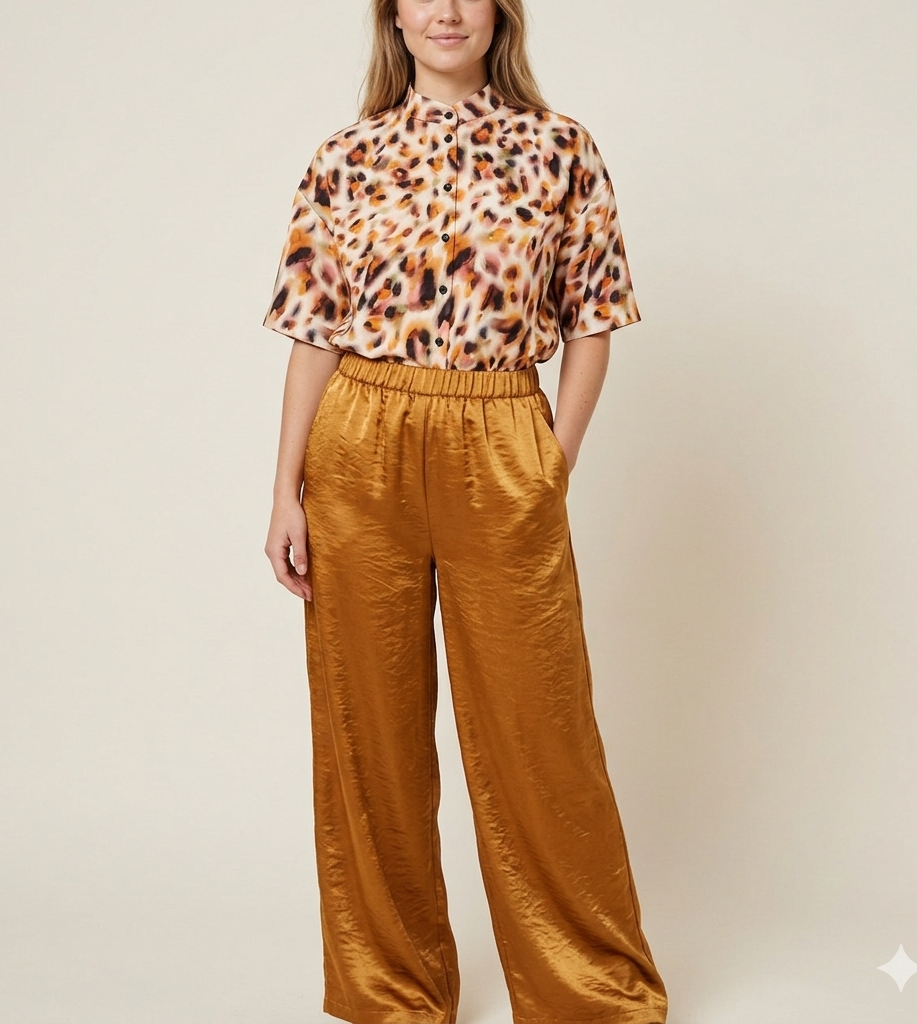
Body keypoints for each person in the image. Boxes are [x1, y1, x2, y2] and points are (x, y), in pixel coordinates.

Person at [262, 2, 668, 1022]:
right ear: (393, 16)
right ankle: (392, 988)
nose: (445, 10)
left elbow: (592, 321)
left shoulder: (560, 150)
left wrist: (549, 463)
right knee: (368, 734)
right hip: (359, 442)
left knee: (539, 726)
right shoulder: (346, 156)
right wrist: (284, 488)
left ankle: (585, 990)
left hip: (500, 435)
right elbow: (314, 331)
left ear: (499, 13)